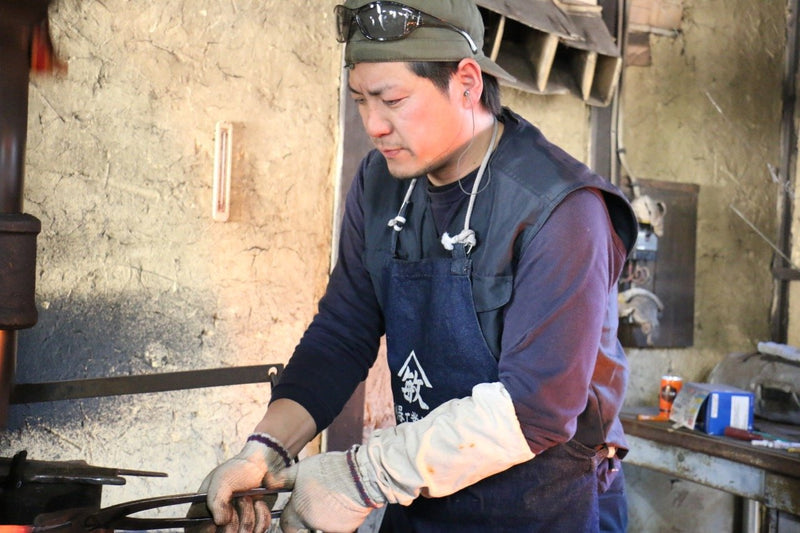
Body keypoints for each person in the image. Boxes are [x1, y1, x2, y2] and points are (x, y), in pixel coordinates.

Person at [195, 1, 638, 531]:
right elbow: (342, 332)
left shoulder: (561, 209)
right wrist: (263, 450)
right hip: (423, 491)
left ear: (467, 82)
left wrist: (361, 478)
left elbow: (536, 410)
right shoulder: (380, 184)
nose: (374, 125)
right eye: (360, 100)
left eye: (393, 101)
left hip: (544, 502)